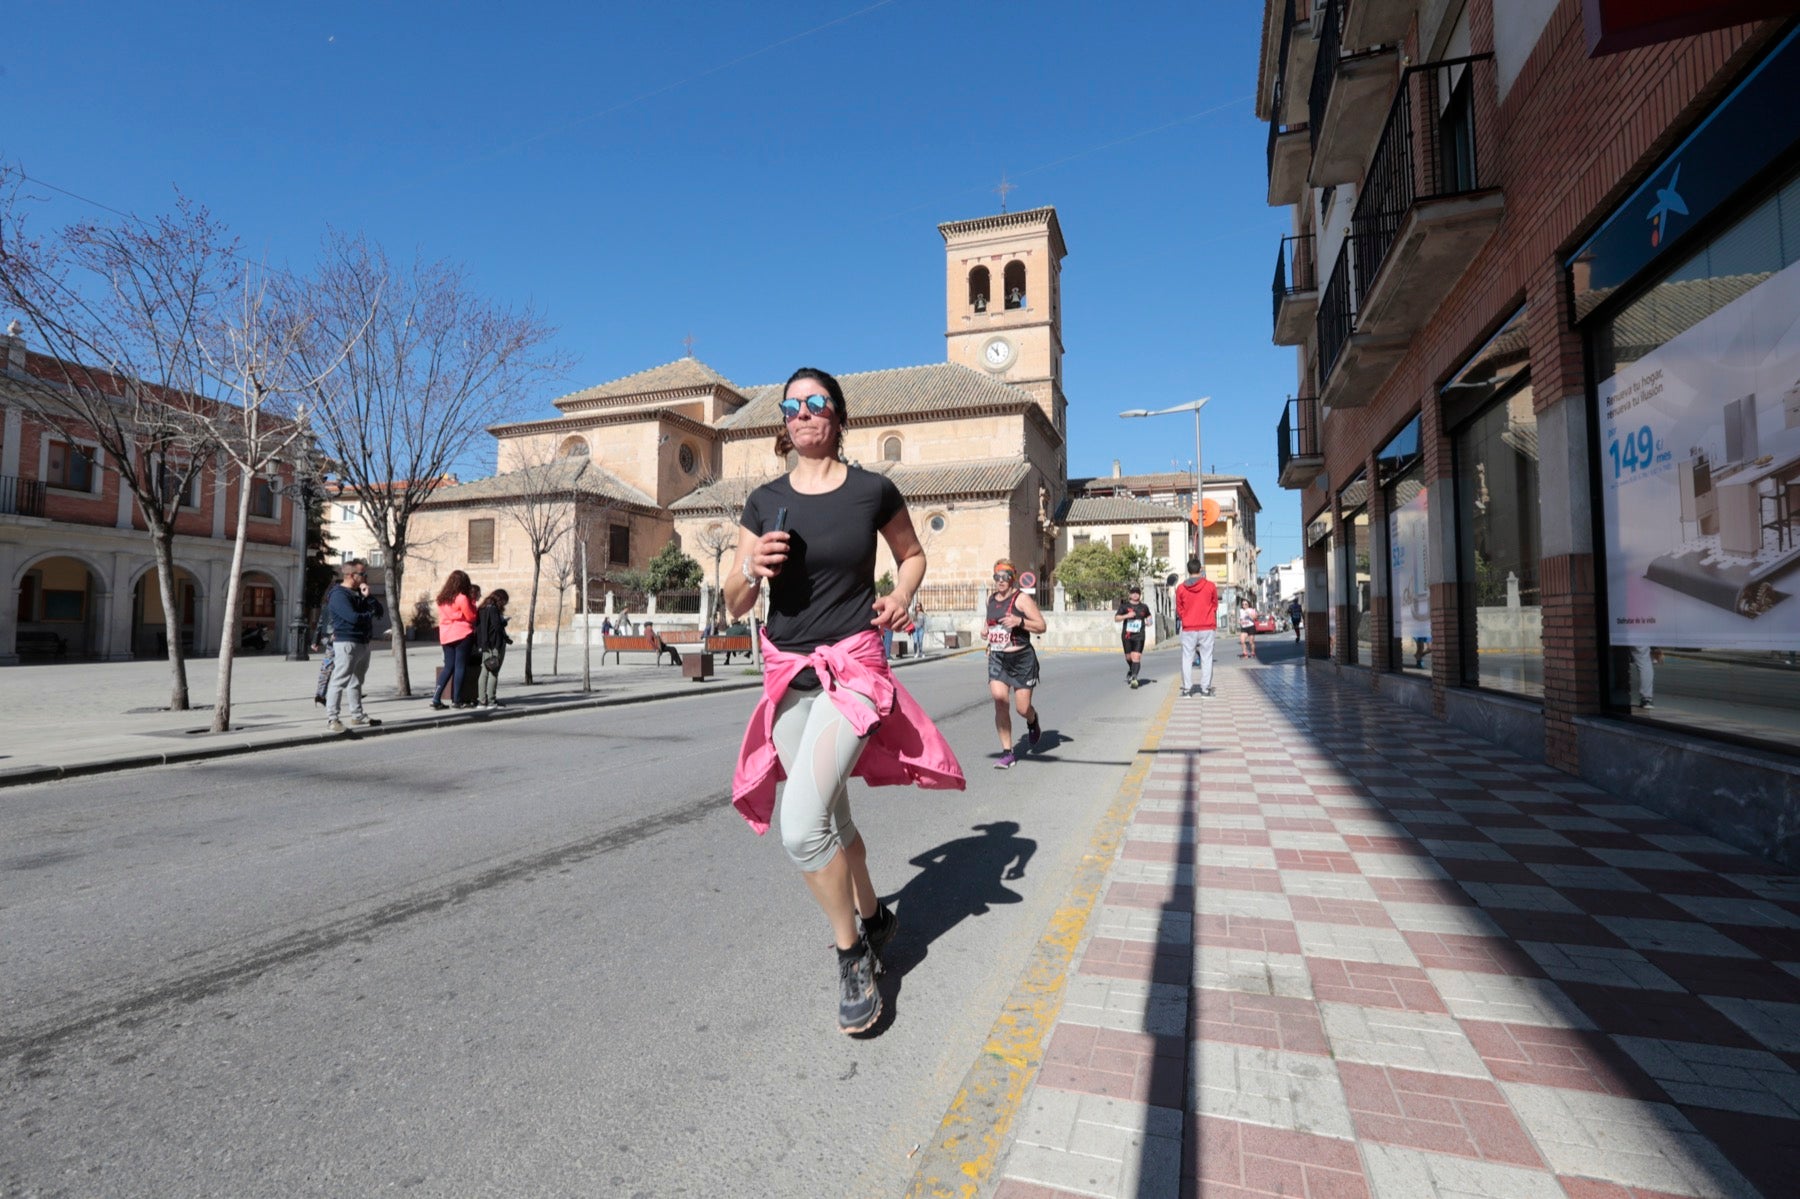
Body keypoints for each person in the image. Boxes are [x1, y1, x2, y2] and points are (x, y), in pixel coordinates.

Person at [724, 366, 965, 1035]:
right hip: (788, 674)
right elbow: (735, 600)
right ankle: (880, 918)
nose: (803, 414)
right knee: (834, 816)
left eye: (816, 403)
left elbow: (912, 554)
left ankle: (853, 951)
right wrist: (751, 567)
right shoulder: (763, 502)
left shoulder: (871, 490)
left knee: (802, 826)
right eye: (792, 406)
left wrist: (902, 592)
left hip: (854, 671)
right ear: (784, 422)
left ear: (838, 415)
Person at [985, 557, 1047, 768]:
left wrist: (1019, 621)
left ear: (1012, 578)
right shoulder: (990, 599)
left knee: (1022, 708)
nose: (1000, 580)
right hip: (998, 658)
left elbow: (1041, 626)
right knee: (1000, 701)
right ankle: (1007, 752)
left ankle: (1032, 720)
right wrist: (987, 633)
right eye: (997, 576)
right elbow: (991, 624)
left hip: (1021, 659)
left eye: (1005, 576)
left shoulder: (1021, 600)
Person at [322, 559, 384, 733]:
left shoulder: (359, 593)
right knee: (339, 680)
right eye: (362, 574)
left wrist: (369, 597)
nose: (365, 577)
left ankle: (357, 715)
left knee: (357, 681)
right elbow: (353, 618)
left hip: (363, 642)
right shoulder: (338, 595)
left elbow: (379, 612)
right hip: (347, 642)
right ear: (351, 575)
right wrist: (369, 613)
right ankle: (332, 719)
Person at [431, 570, 479, 710]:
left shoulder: (442, 598)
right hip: (462, 633)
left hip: (446, 635)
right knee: (460, 667)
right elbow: (471, 617)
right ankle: (457, 700)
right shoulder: (462, 598)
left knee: (448, 667)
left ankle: (436, 697)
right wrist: (473, 602)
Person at [1175, 557, 1218, 698]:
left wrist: (1186, 617)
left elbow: (1179, 608)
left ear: (1188, 571)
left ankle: (1187, 689)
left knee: (1187, 658)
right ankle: (1205, 690)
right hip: (1207, 626)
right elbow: (1214, 605)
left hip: (1188, 627)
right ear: (1200, 569)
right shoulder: (1210, 586)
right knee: (1207, 658)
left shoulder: (1180, 588)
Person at [476, 588, 513, 709]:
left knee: (484, 672)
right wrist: (504, 621)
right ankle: (491, 700)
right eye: (504, 601)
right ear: (500, 599)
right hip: (495, 645)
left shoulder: (482, 608)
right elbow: (497, 627)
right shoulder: (493, 609)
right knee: (493, 672)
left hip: (486, 645)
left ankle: (481, 700)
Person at [1114, 584, 1151, 688]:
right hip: (1127, 635)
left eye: (1137, 593)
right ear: (1130, 595)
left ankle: (1134, 678)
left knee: (1136, 657)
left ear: (1140, 595)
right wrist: (1127, 615)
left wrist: (1149, 622)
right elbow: (1116, 618)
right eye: (1133, 593)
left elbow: (1149, 616)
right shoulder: (1124, 606)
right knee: (1128, 657)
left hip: (1139, 635)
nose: (1135, 595)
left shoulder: (1144, 607)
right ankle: (1131, 669)